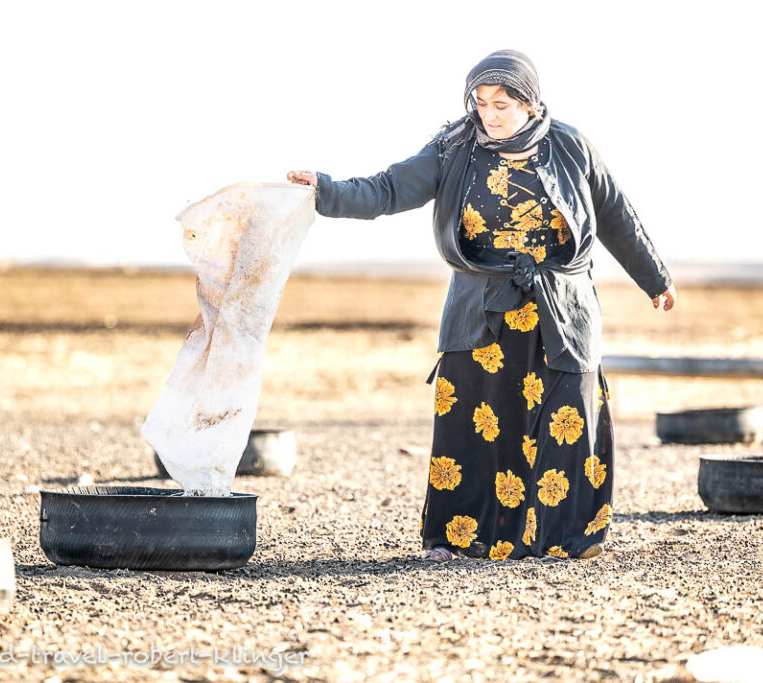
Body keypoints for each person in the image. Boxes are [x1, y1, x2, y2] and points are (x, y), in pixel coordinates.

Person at [287, 49, 676, 562]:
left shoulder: (571, 146)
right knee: (477, 420)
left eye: (502, 104)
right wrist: (326, 191)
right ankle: (462, 538)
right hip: (482, 307)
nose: (489, 114)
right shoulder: (453, 147)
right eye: (481, 102)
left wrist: (655, 279)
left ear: (531, 105)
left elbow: (616, 215)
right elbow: (388, 189)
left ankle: (562, 540)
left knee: (568, 414)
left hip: (561, 306)